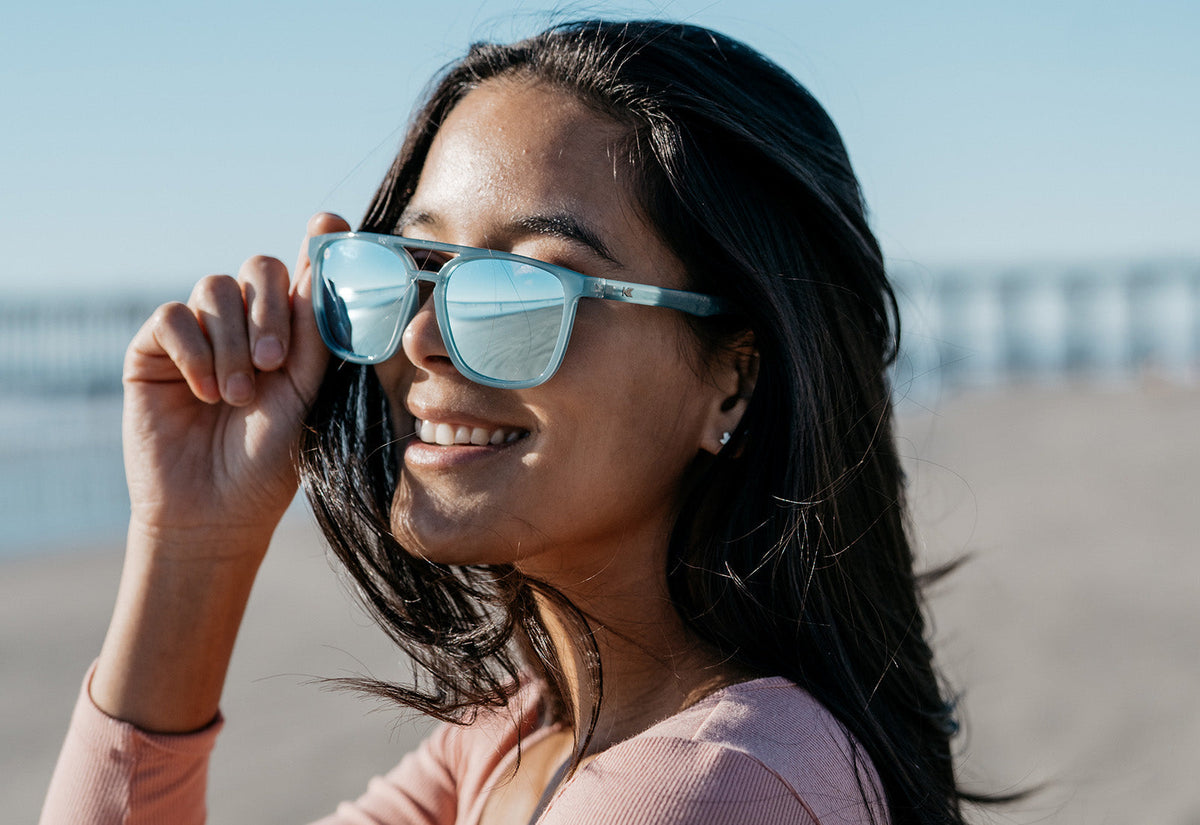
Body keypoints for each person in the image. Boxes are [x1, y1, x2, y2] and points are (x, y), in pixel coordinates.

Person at [41, 19, 985, 825]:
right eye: (415, 266)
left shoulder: (704, 785)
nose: (420, 338)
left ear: (731, 381)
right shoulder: (521, 734)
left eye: (522, 288)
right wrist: (192, 542)